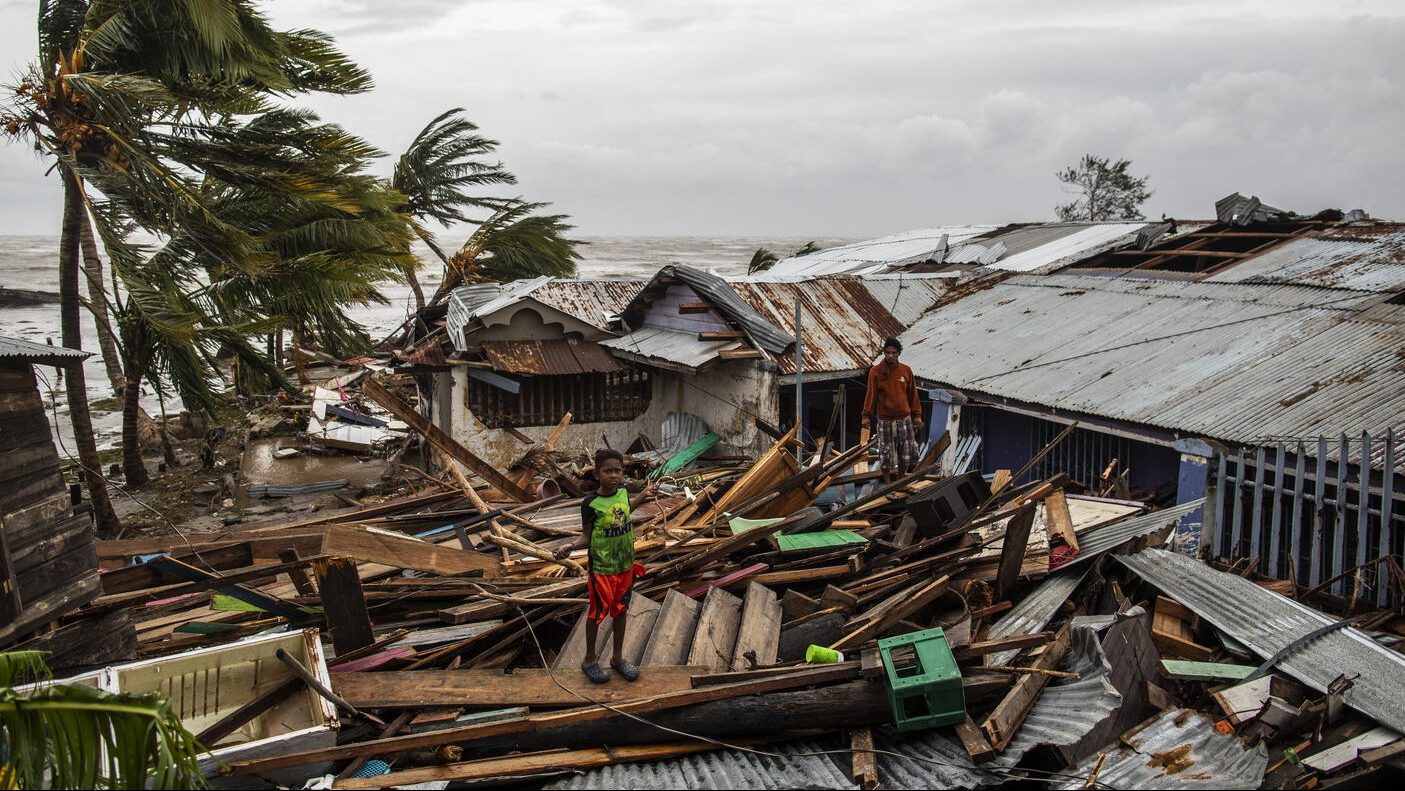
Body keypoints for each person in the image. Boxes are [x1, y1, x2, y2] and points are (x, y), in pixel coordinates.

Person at [553, 449, 654, 683]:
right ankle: (589, 660)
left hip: (625, 566)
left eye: (618, 471)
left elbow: (626, 508)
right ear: (597, 474)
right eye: (608, 471)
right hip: (602, 569)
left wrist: (645, 495)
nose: (614, 475)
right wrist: (569, 546)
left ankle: (617, 659)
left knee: (621, 611)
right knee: (596, 614)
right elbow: (586, 537)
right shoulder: (590, 503)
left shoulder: (622, 493)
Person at [860, 337, 924, 480]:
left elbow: (913, 394)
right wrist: (866, 415)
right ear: (884, 353)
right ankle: (888, 482)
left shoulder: (906, 371)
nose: (890, 356)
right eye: (887, 352)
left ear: (899, 353)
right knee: (886, 453)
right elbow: (871, 395)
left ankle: (901, 479)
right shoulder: (875, 372)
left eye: (893, 353)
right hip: (885, 419)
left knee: (906, 452)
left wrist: (917, 415)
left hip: (904, 418)